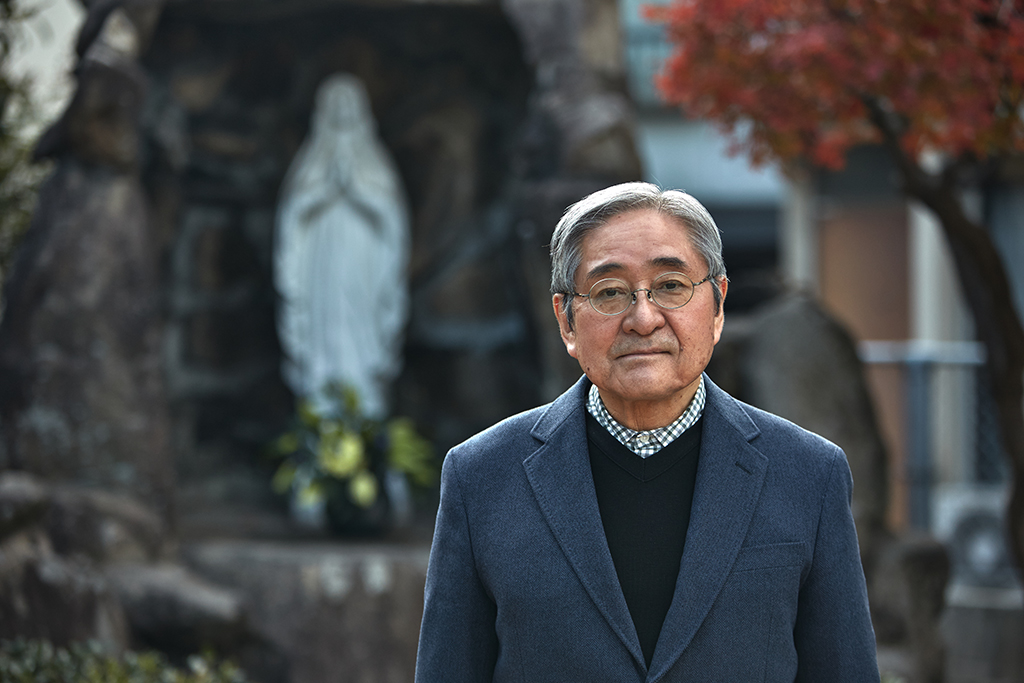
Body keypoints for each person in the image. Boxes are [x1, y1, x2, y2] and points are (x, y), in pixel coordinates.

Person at [415, 182, 880, 682]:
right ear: (566, 321)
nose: (642, 318)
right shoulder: (481, 477)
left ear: (718, 306)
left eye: (671, 287)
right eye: (610, 292)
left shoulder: (809, 474)